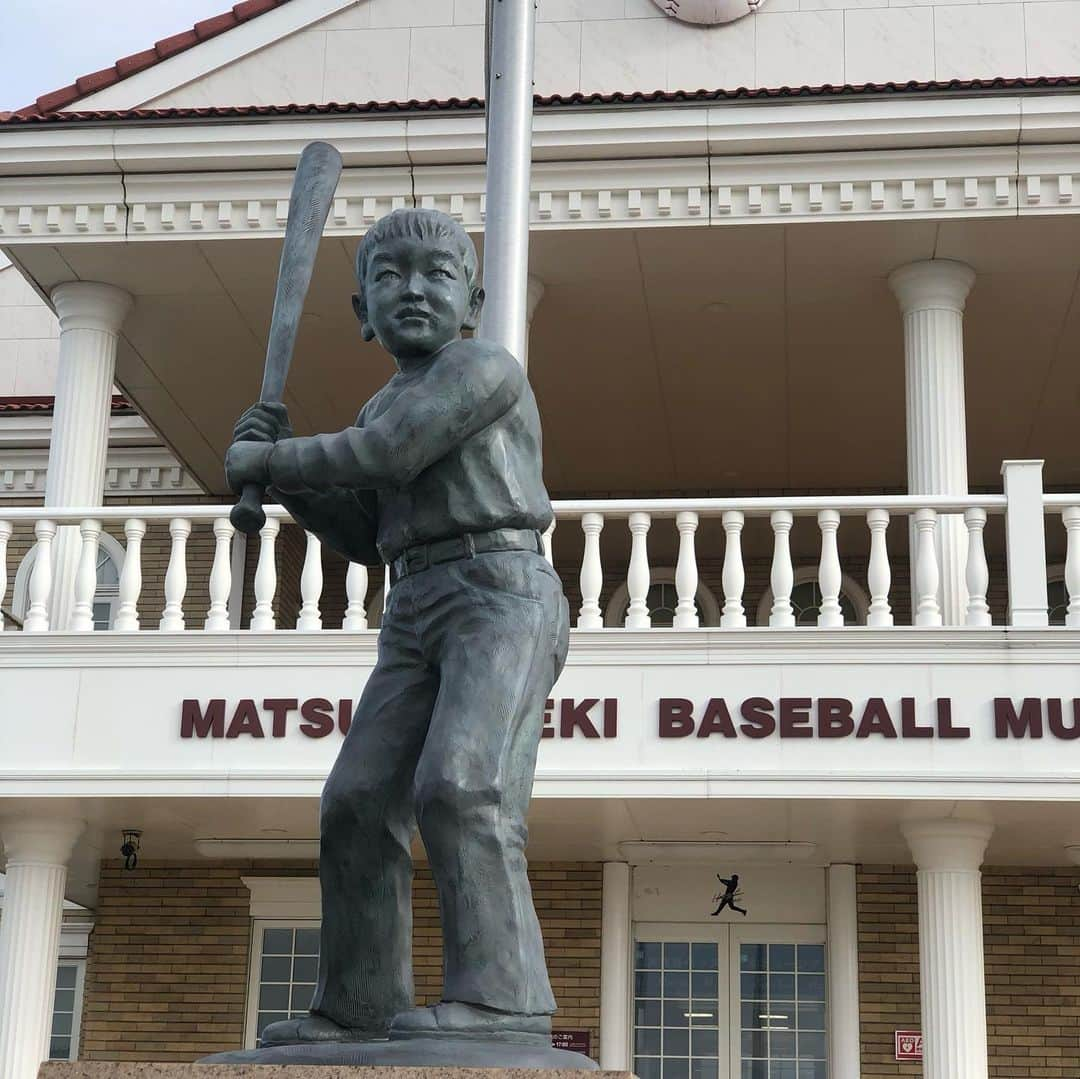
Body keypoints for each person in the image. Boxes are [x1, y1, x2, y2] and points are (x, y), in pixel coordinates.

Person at [226, 208, 569, 1046]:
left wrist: (273, 462)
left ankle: (503, 998)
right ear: (361, 313)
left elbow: (391, 453)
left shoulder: (484, 368)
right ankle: (360, 1004)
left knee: (460, 782)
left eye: (437, 273)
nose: (413, 289)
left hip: (501, 591)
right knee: (355, 799)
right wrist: (290, 482)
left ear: (474, 299)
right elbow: (362, 534)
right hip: (412, 600)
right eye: (388, 277)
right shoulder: (383, 400)